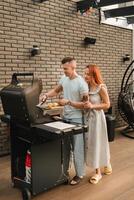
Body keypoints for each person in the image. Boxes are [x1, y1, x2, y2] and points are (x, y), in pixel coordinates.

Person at [39, 57, 89, 185]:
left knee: (77, 148)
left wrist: (69, 102)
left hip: (77, 119)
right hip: (65, 118)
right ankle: (65, 173)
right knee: (65, 147)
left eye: (66, 69)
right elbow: (56, 90)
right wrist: (46, 95)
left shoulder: (81, 83)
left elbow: (85, 104)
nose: (64, 71)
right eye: (63, 69)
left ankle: (79, 174)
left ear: (73, 67)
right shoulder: (64, 79)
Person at [83, 64, 112, 184]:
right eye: (84, 74)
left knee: (97, 143)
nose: (85, 76)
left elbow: (107, 105)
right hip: (87, 119)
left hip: (98, 120)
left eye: (88, 74)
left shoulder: (101, 88)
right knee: (90, 143)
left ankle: (98, 173)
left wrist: (93, 106)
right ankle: (107, 163)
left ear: (94, 75)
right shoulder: (86, 88)